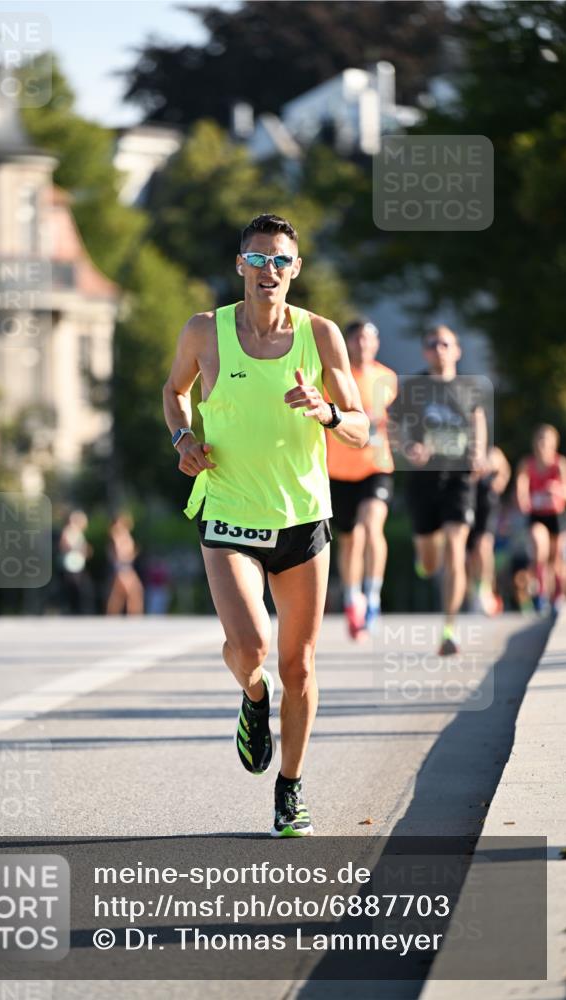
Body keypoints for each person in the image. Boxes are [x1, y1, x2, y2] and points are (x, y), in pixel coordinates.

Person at [163, 214, 368, 836]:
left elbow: (362, 430)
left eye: (280, 261)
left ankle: (291, 787)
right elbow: (174, 392)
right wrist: (183, 436)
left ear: (295, 269)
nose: (268, 271)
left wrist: (328, 412)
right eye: (257, 260)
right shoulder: (206, 331)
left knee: (299, 665)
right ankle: (253, 697)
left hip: (303, 518)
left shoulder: (322, 335)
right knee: (250, 647)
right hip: (227, 507)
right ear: (239, 265)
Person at [388, 325, 487, 656]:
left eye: (445, 343)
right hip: (423, 479)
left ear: (457, 350)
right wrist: (407, 447)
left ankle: (449, 630)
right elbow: (390, 425)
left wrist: (478, 452)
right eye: (431, 344)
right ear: (424, 351)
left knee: (456, 547)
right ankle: (425, 560)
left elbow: (478, 421)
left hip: (458, 478)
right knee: (431, 562)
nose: (438, 349)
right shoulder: (414, 387)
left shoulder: (469, 388)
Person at [327, 319, 397, 638]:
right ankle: (352, 597)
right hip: (339, 470)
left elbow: (394, 421)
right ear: (347, 343)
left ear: (376, 344)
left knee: (372, 526)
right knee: (349, 539)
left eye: (368, 339)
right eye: (356, 339)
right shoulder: (333, 378)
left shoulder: (388, 378)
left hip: (376, 467)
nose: (362, 345)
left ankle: (373, 594)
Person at [515, 425, 566, 615]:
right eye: (539, 440)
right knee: (539, 546)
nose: (542, 444)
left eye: (546, 440)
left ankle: (558, 596)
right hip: (537, 516)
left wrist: (557, 490)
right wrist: (523, 499)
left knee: (556, 560)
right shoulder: (527, 464)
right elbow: (521, 487)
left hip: (556, 515)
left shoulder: (560, 464)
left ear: (554, 443)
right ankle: (541, 593)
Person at [467, 445, 511, 614]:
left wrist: (499, 481)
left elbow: (504, 470)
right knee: (470, 555)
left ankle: (485, 590)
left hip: (487, 503)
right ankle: (473, 592)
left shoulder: (493, 452)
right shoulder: (463, 448)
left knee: (484, 545)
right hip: (467, 501)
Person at [106, 512, 144, 615]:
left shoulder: (124, 534)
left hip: (126, 565)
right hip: (122, 565)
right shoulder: (117, 535)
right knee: (133, 591)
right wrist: (127, 556)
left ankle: (114, 615)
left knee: (120, 593)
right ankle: (134, 615)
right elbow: (118, 553)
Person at [58, 510, 93, 614]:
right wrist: (77, 549)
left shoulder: (78, 533)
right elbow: (64, 546)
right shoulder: (68, 531)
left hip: (78, 564)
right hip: (70, 564)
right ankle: (70, 609)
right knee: (72, 587)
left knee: (81, 587)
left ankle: (79, 609)